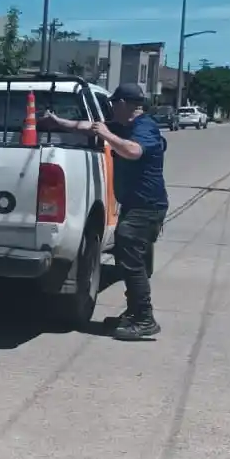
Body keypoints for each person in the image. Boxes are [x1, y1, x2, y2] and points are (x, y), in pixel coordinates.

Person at [44, 83, 168, 339]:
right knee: (128, 259)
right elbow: (89, 126)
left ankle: (144, 317)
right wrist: (58, 121)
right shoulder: (124, 125)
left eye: (114, 103)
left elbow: (133, 151)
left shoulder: (145, 127)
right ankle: (135, 313)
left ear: (125, 104)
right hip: (135, 205)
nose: (111, 107)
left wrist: (107, 135)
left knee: (131, 260)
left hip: (147, 207)